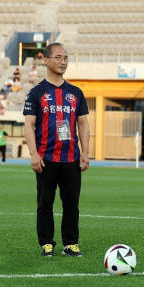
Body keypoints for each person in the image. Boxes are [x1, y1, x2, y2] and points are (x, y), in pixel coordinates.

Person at [23, 43, 90, 258]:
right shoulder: (37, 93)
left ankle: (71, 243)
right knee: (45, 204)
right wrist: (33, 154)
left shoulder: (75, 93)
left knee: (72, 204)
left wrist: (86, 153)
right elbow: (29, 125)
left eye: (66, 58)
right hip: (46, 158)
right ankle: (47, 243)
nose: (63, 62)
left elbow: (83, 124)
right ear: (46, 60)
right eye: (59, 58)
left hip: (71, 158)